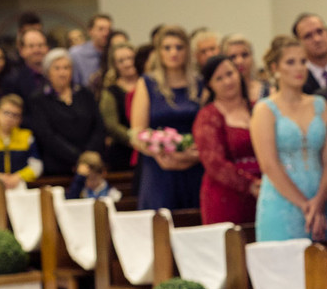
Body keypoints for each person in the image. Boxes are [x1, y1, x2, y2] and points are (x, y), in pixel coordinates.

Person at [251, 35, 327, 242]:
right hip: (282, 202)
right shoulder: (265, 110)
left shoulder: (320, 105)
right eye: (290, 62)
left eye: (302, 62)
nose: (299, 68)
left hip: (322, 199)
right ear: (275, 68)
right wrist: (304, 205)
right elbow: (269, 164)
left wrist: (319, 200)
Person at [129, 25, 203, 210]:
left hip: (194, 165)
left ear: (187, 50)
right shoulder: (147, 83)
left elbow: (208, 127)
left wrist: (191, 156)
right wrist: (159, 153)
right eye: (167, 48)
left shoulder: (200, 83)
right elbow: (137, 132)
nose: (173, 52)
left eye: (179, 47)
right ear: (159, 52)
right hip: (158, 167)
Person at [194, 54, 261, 225]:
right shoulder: (208, 116)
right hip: (226, 196)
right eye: (219, 78)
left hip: (265, 191)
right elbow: (214, 162)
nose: (227, 82)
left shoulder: (258, 109)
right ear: (210, 85)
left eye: (230, 74)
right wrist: (249, 185)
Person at [26, 49, 106, 176]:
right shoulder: (39, 99)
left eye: (66, 68)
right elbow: (47, 135)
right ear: (48, 72)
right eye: (57, 68)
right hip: (58, 166)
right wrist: (78, 157)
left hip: (91, 164)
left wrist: (88, 155)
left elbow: (98, 126)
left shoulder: (84, 93)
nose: (62, 73)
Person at [0, 94, 42, 188]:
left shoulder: (27, 137)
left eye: (15, 115)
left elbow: (37, 166)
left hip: (21, 186)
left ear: (20, 119)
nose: (10, 118)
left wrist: (18, 177)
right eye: (6, 113)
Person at [98, 41, 139, 170]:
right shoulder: (110, 91)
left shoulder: (149, 84)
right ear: (115, 65)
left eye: (130, 58)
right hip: (123, 152)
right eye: (121, 61)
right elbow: (111, 125)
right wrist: (135, 139)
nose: (127, 63)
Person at [292, 13, 327, 94]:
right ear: (299, 43)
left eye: (320, 31)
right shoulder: (298, 81)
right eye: (308, 36)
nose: (317, 39)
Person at [2, 26, 49, 101]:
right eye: (31, 46)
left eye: (40, 45)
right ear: (21, 51)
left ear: (47, 48)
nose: (36, 50)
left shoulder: (56, 74)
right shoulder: (13, 80)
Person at [221, 34, 270, 103]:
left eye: (244, 55)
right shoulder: (220, 95)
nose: (239, 61)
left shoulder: (269, 91)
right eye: (233, 57)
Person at [69, 13, 112, 89]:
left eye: (109, 29)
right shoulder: (76, 54)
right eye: (101, 29)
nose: (106, 33)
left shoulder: (114, 54)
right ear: (90, 31)